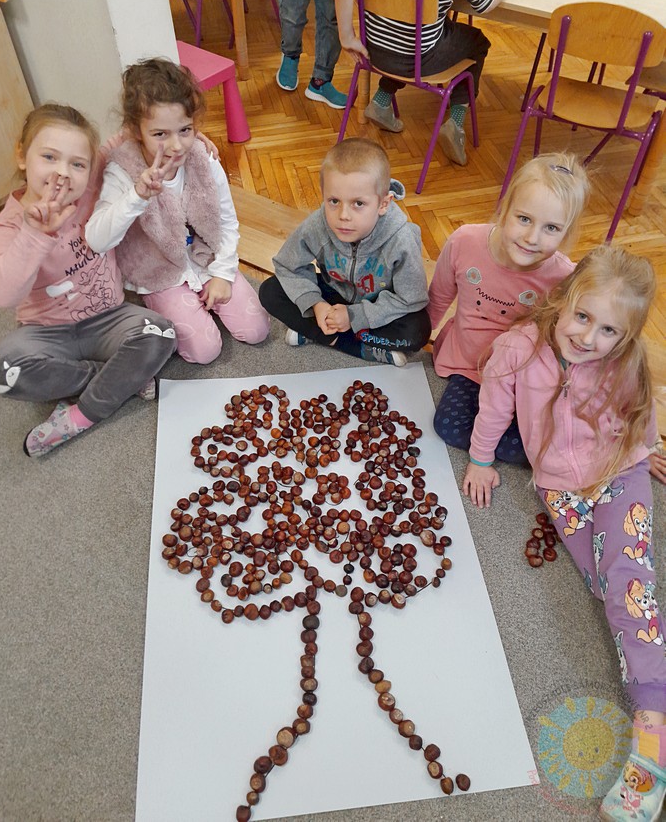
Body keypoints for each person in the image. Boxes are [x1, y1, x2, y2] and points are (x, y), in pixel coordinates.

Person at [463, 246, 666, 822]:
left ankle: (653, 726)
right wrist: (481, 459)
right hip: (558, 487)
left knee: (630, 583)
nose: (589, 337)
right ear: (564, 298)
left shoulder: (627, 359)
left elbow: (639, 412)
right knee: (604, 584)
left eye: (608, 330)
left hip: (620, 472)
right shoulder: (518, 349)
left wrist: (645, 449)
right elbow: (494, 409)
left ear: (625, 336)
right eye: (583, 317)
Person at [0, 104, 176, 457]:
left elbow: (135, 131)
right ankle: (116, 377)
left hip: (109, 318)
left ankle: (80, 415)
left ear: (90, 168)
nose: (63, 174)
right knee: (3, 371)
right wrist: (34, 233)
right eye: (49, 157)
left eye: (77, 163)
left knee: (161, 333)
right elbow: (3, 295)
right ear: (21, 155)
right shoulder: (8, 225)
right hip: (46, 331)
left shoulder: (93, 183)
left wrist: (191, 142)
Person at [85, 58, 270, 364]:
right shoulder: (122, 171)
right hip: (159, 271)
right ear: (135, 130)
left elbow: (226, 222)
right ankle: (158, 304)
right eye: (160, 134)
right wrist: (137, 196)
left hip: (202, 255)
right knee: (205, 350)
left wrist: (223, 273)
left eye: (185, 129)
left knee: (257, 329)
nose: (176, 145)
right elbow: (97, 240)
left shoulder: (203, 157)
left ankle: (209, 289)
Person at [428, 153, 589, 464]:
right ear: (504, 209)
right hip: (468, 367)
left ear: (567, 233)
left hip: (525, 379)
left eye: (551, 228)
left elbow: (574, 344)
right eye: (524, 219)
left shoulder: (565, 278)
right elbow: (438, 298)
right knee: (447, 427)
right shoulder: (464, 242)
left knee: (542, 440)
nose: (531, 238)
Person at [335, 0, 534, 165]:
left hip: (374, 50)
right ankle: (456, 121)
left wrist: (346, 37)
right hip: (420, 59)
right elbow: (484, 1)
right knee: (477, 42)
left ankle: (382, 98)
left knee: (420, 28)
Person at [258, 137, 431, 366]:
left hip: (375, 307)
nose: (343, 215)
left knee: (417, 331)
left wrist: (354, 317)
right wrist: (316, 305)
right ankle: (356, 344)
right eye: (334, 201)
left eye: (358, 203)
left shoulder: (401, 239)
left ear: (383, 204)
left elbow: (412, 298)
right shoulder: (317, 225)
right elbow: (286, 265)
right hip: (331, 296)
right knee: (270, 291)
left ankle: (321, 334)